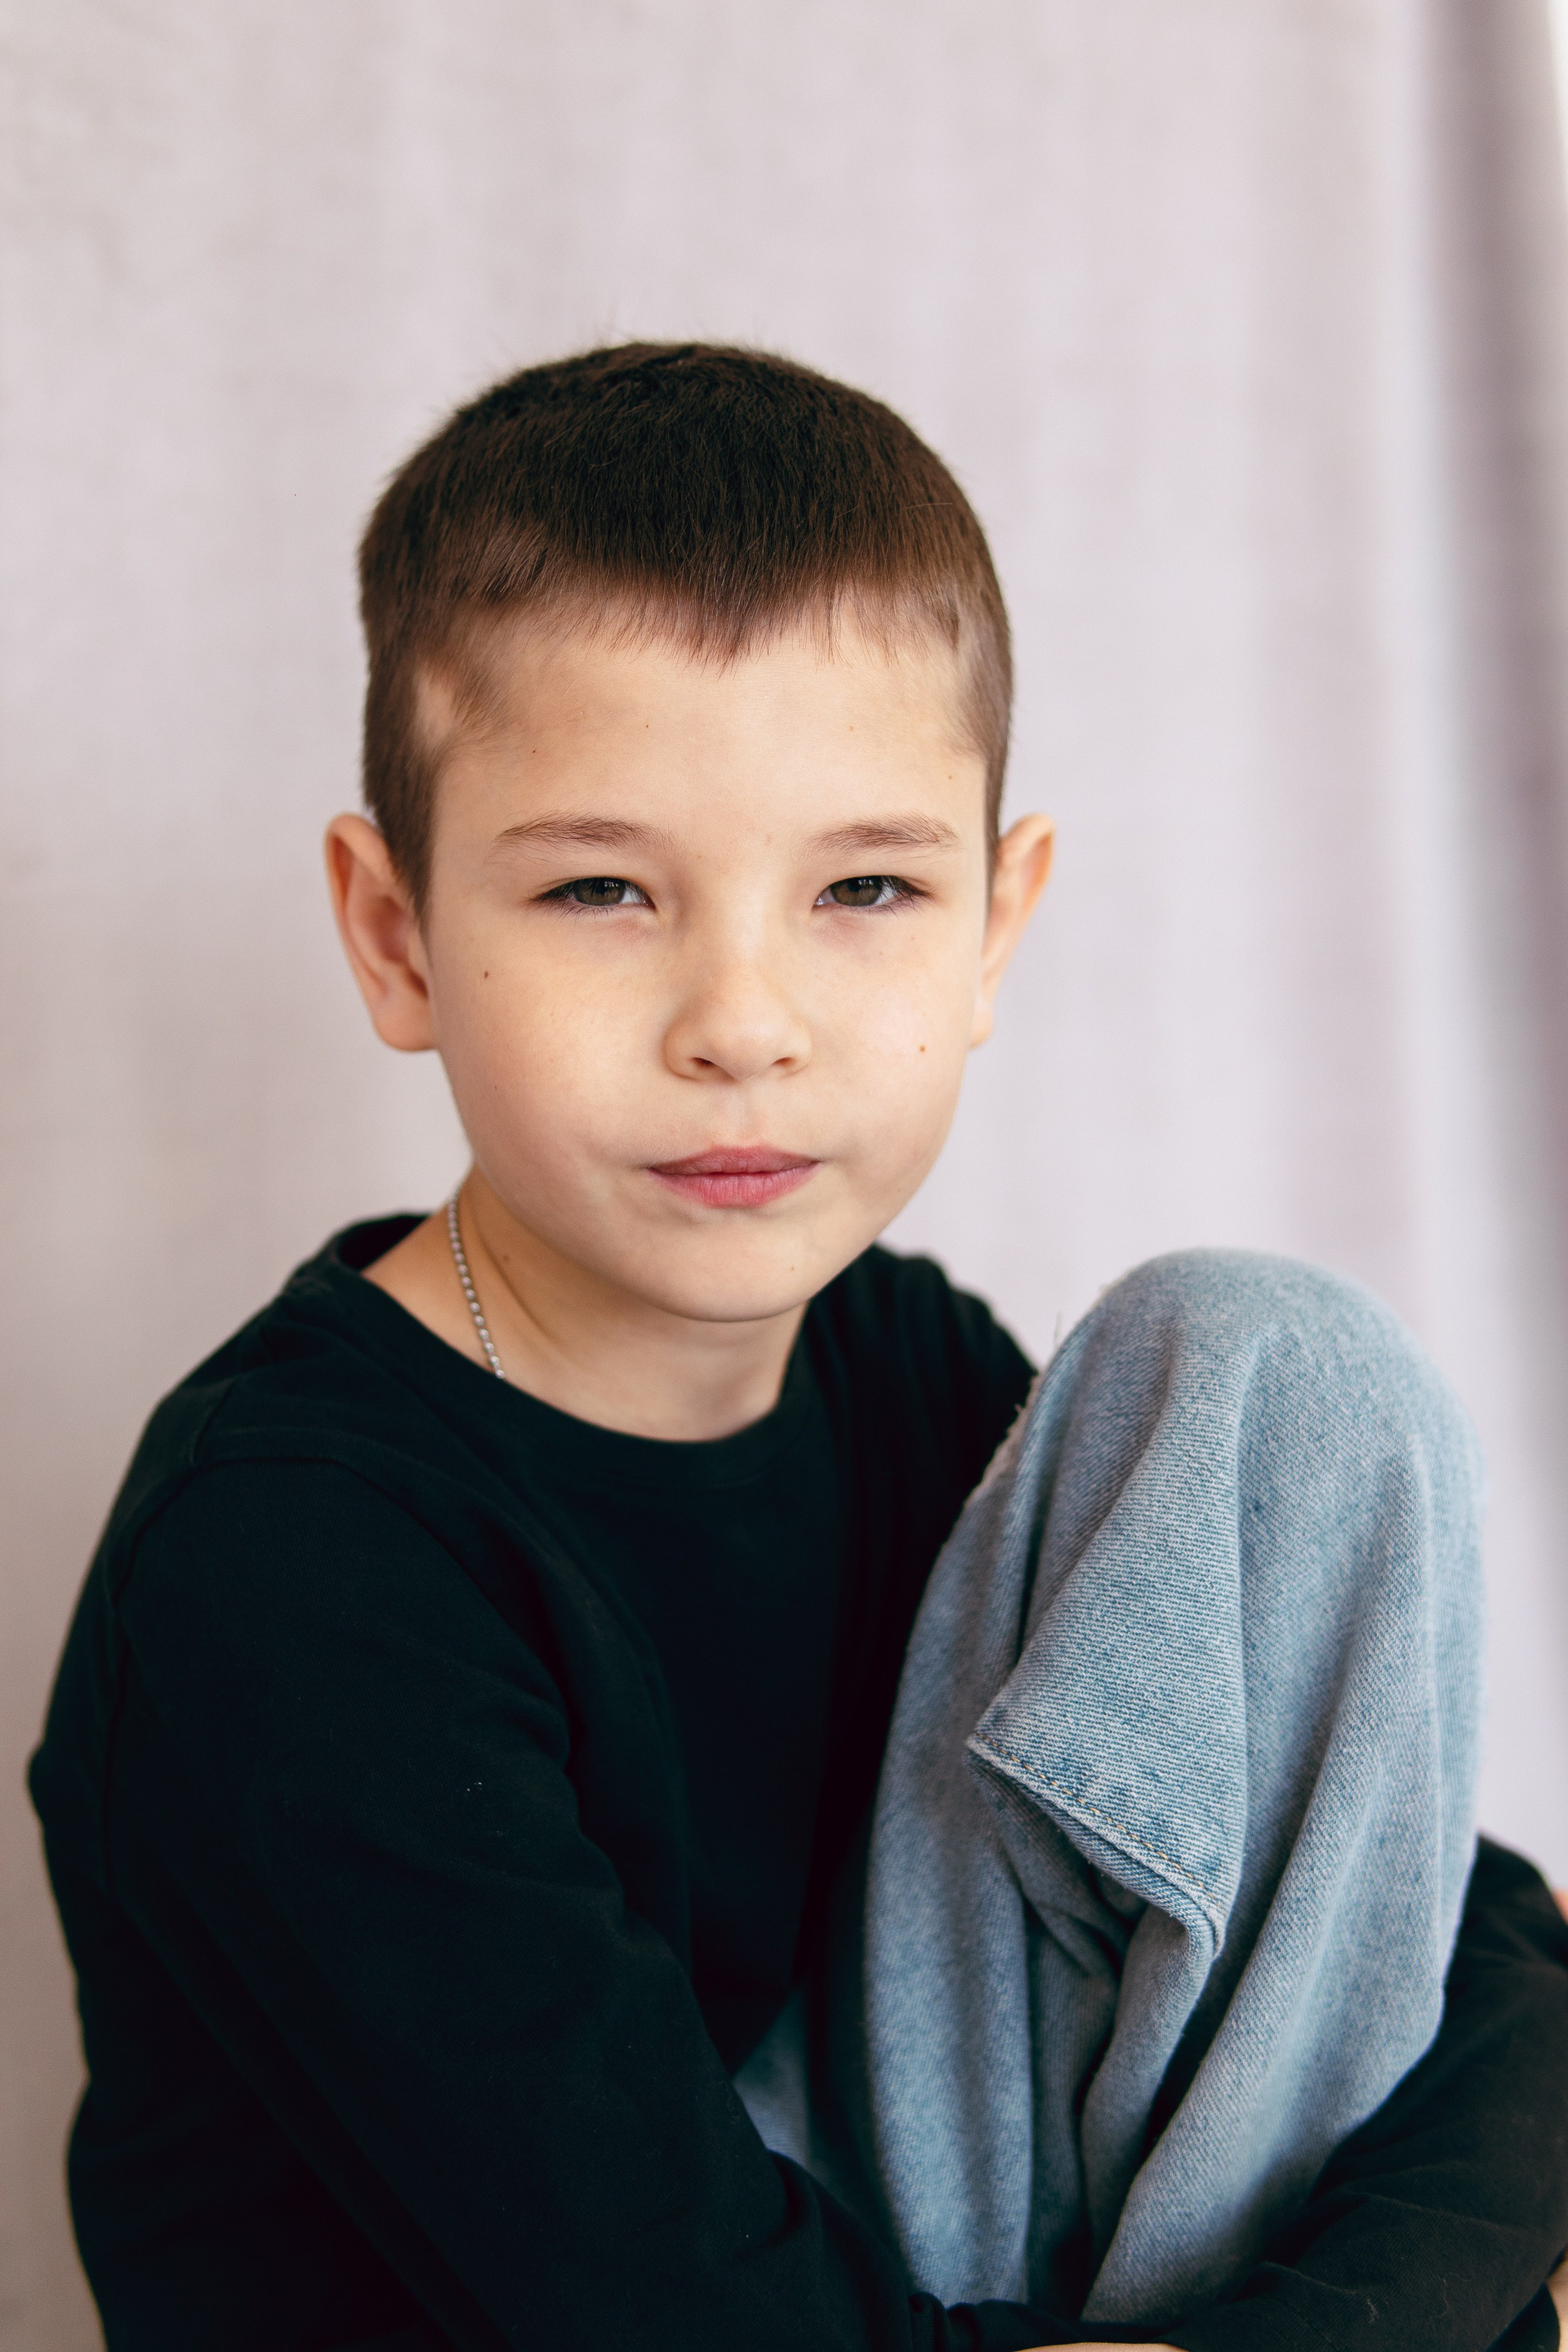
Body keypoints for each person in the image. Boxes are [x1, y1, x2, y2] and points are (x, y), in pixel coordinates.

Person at [28, 343, 1568, 2352]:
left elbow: (1465, 1935)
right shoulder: (285, 1563)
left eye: (865, 886)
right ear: (397, 936)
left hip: (928, 2275)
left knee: (1278, 1370)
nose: (743, 1023)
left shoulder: (893, 1362)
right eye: (602, 888)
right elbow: (682, 2310)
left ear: (993, 925)